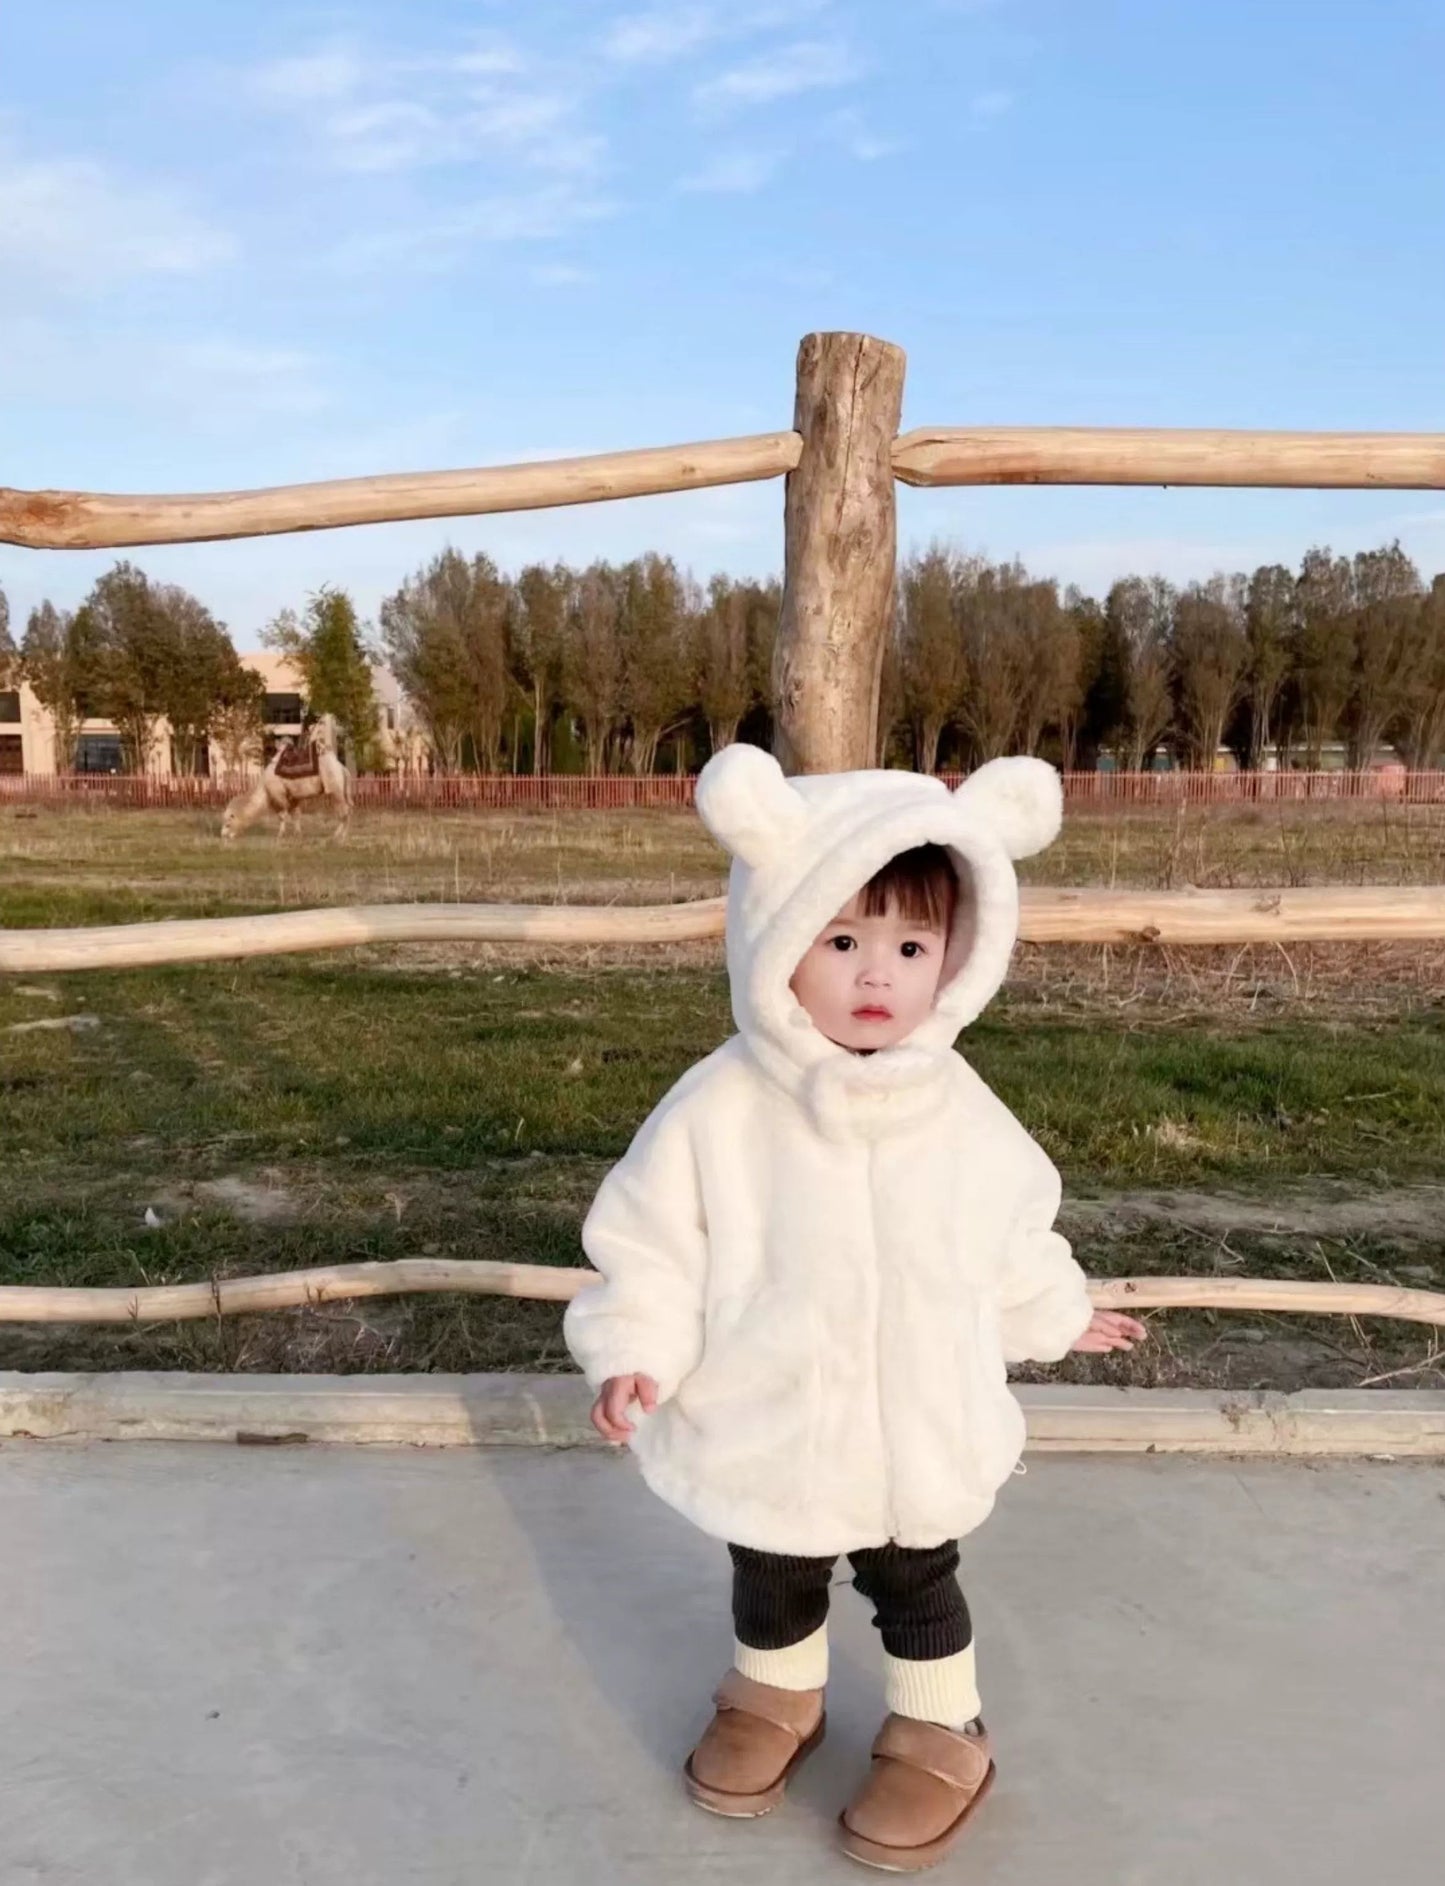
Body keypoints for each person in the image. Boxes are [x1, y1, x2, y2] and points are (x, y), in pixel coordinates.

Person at [563, 746, 1146, 1872]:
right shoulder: (720, 1105)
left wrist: (1053, 1308)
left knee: (915, 1576)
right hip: (769, 1403)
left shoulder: (960, 1106)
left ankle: (941, 1726)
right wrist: (632, 1348)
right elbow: (649, 1240)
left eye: (910, 946)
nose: (875, 975)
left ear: (957, 958)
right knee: (770, 1559)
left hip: (914, 1415)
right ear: (775, 939)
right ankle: (774, 1693)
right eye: (838, 941)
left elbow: (1008, 1223)